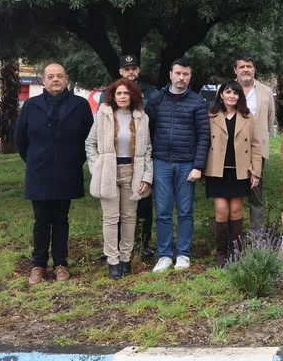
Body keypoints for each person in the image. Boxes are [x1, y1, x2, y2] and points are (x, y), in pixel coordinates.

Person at [15, 63, 94, 285]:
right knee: (41, 220)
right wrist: (34, 161)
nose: (55, 79)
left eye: (59, 76)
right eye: (51, 76)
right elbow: (21, 140)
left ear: (67, 79)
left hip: (67, 172)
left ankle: (61, 264)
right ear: (43, 80)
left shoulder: (80, 105)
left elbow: (88, 140)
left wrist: (74, 162)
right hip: (38, 172)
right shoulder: (31, 106)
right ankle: (38, 265)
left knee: (61, 220)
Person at [145, 58, 210, 272]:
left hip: (186, 164)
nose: (182, 78)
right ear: (171, 74)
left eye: (186, 74)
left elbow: (204, 136)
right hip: (161, 161)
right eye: (178, 73)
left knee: (185, 211)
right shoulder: (156, 99)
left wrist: (198, 166)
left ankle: (183, 253)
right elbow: (148, 130)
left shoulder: (197, 102)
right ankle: (164, 255)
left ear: (190, 77)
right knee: (162, 211)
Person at [86, 78, 153, 279]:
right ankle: (112, 260)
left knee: (129, 217)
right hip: (108, 172)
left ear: (133, 95)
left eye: (126, 93)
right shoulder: (104, 115)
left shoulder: (142, 117)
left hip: (132, 172)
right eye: (119, 94)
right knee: (110, 218)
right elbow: (90, 143)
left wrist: (146, 176)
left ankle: (125, 258)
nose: (122, 97)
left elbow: (147, 149)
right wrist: (96, 166)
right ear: (113, 96)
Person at [98, 54, 158, 259]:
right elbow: (98, 133)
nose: (131, 71)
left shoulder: (150, 92)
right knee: (113, 213)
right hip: (113, 163)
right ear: (120, 72)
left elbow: (151, 124)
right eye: (127, 68)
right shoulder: (108, 94)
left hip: (139, 158)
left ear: (138, 70)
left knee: (141, 207)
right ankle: (112, 249)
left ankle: (143, 243)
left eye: (134, 68)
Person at [204, 80, 263, 267]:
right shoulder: (211, 116)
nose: (231, 96)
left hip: (239, 172)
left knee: (236, 211)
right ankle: (221, 253)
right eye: (228, 92)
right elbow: (203, 143)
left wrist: (256, 172)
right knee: (221, 211)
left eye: (235, 93)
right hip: (217, 172)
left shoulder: (248, 117)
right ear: (221, 95)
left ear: (240, 97)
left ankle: (235, 252)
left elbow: (256, 145)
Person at [234, 55, 274, 232]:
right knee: (233, 195)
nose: (245, 69)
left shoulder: (265, 91)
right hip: (232, 150)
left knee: (255, 193)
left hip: (257, 150)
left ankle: (257, 238)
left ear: (254, 69)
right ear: (235, 70)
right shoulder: (227, 89)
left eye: (249, 66)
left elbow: (270, 118)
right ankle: (234, 237)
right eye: (241, 66)